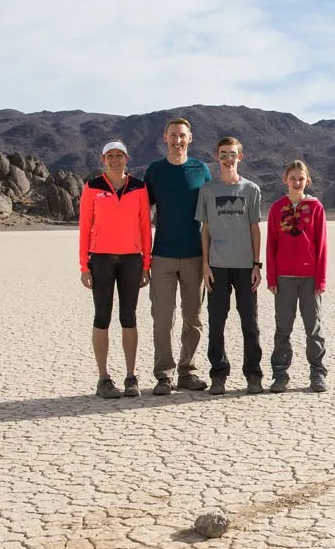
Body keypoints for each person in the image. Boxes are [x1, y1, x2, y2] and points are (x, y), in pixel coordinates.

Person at [144, 117, 212, 395]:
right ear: (165, 138)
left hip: (194, 254)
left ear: (190, 138)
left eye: (182, 135)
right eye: (173, 135)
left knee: (193, 317)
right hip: (162, 255)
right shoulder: (155, 172)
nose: (177, 140)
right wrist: (142, 256)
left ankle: (188, 371)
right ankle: (164, 375)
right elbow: (143, 215)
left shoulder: (201, 170)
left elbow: (209, 215)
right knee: (162, 317)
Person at [78, 140, 151, 399]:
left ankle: (131, 377)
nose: (115, 160)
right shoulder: (92, 187)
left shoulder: (139, 187)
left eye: (120, 155)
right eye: (111, 156)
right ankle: (103, 379)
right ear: (103, 160)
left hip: (131, 259)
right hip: (101, 260)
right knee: (102, 318)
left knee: (128, 317)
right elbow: (85, 226)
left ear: (127, 158)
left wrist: (146, 263)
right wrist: (84, 265)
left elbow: (145, 227)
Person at [196, 137, 264, 396]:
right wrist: (205, 264)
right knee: (216, 322)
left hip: (245, 266)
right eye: (223, 154)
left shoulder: (251, 190)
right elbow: (206, 229)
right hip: (218, 266)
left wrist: (257, 264)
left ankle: (253, 374)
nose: (228, 158)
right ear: (216, 156)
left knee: (250, 323)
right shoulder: (208, 190)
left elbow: (254, 228)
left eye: (232, 154)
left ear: (240, 157)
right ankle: (219, 374)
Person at [266, 160, 328, 393]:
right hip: (284, 278)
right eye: (292, 178)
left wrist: (320, 279)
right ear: (285, 180)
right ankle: (280, 374)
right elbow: (271, 245)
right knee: (283, 329)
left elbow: (321, 245)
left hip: (309, 278)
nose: (296, 182)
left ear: (307, 181)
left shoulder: (315, 207)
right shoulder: (276, 208)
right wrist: (272, 277)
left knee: (313, 327)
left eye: (301, 178)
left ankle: (318, 373)